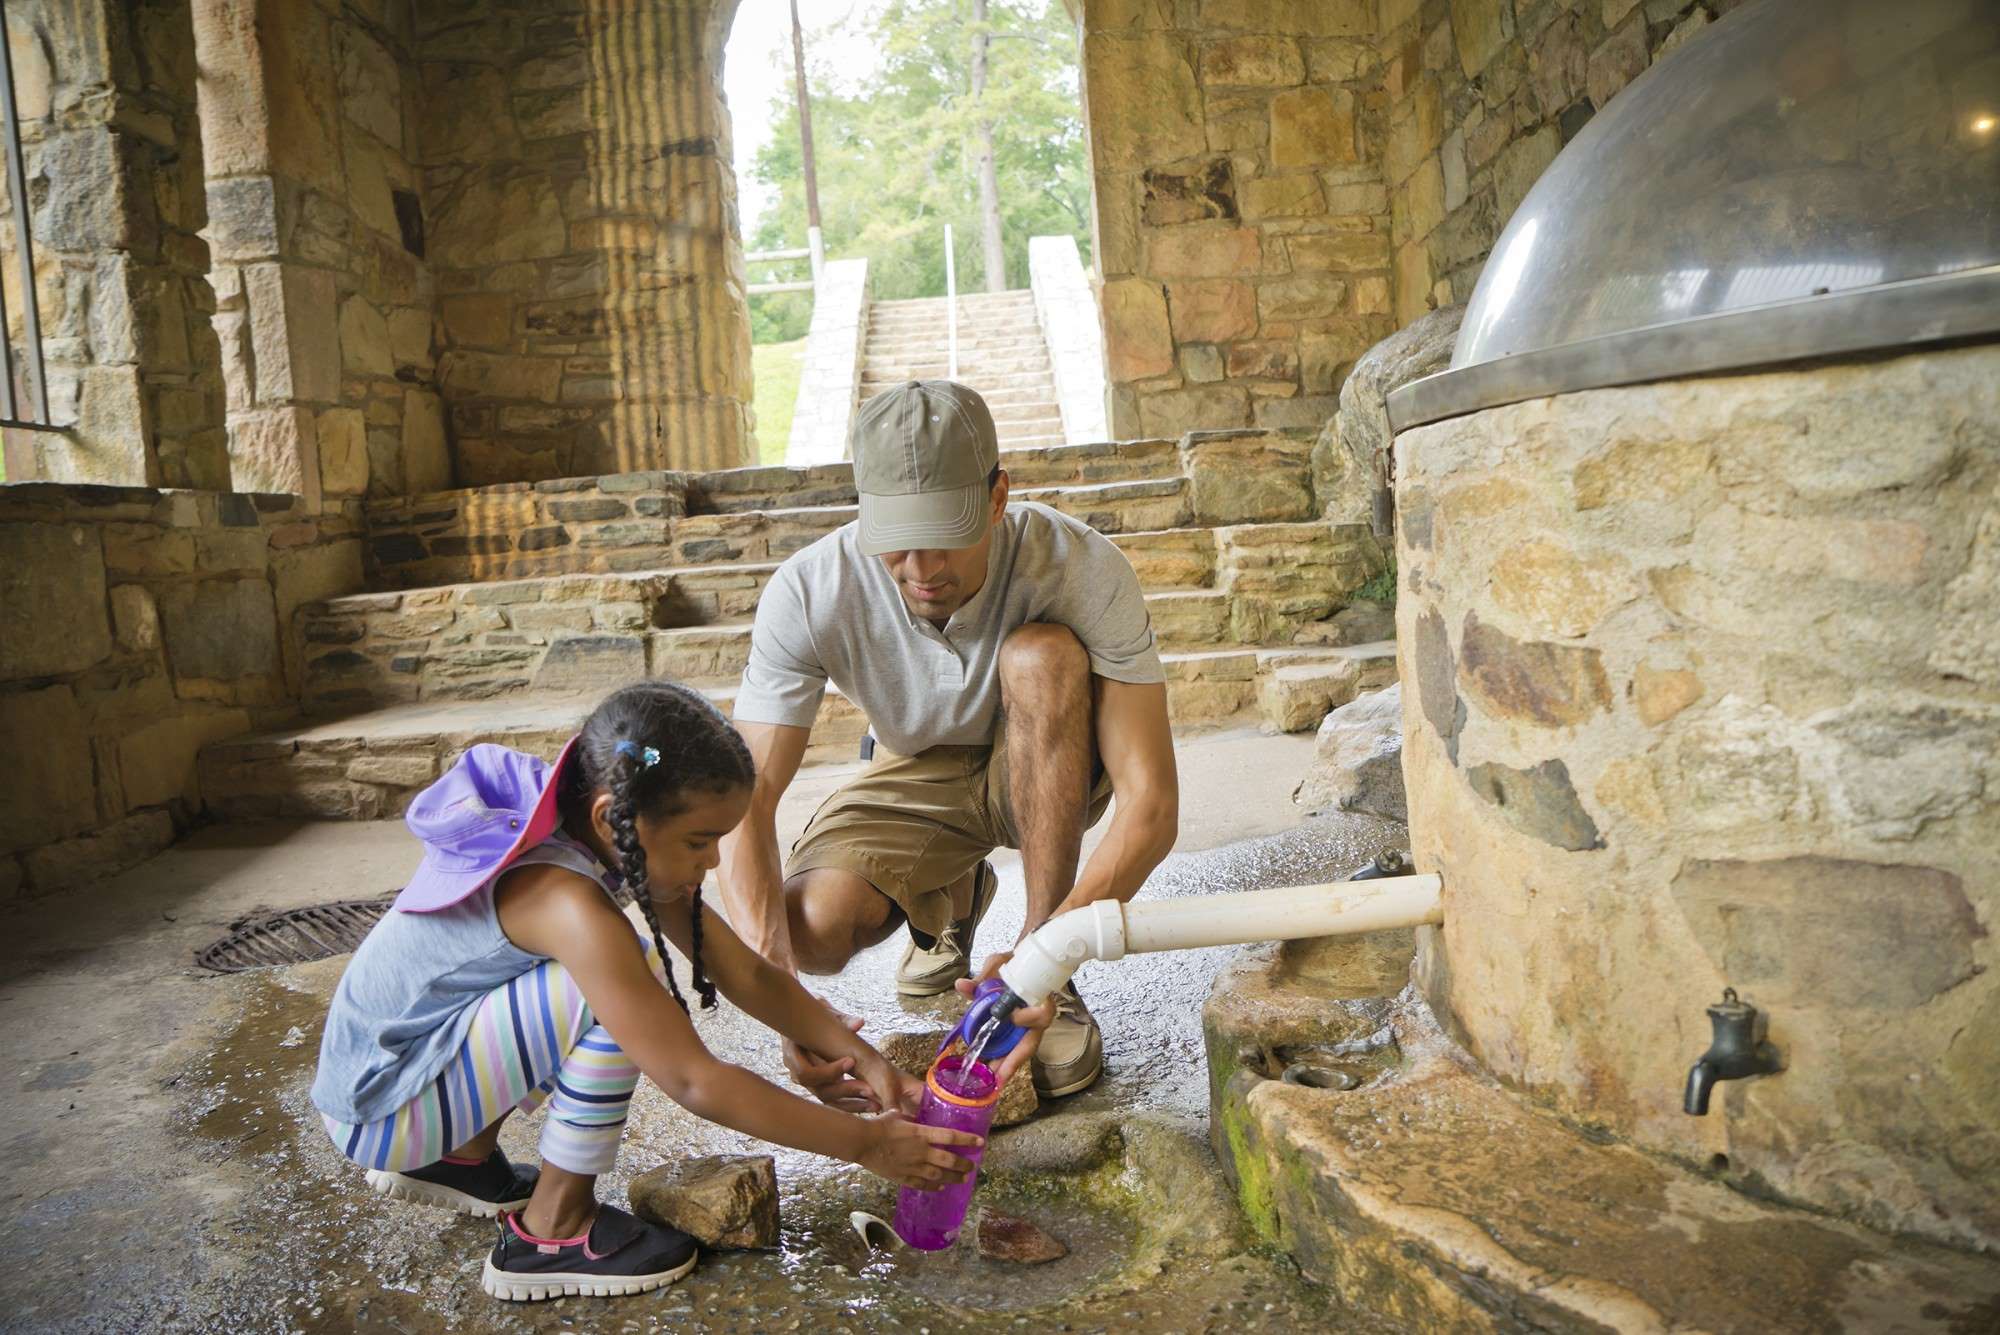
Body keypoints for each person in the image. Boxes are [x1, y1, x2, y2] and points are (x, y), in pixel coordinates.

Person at [310, 680, 1047, 1302]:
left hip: (394, 1067)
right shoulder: (566, 901)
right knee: (618, 984)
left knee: (614, 977)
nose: (717, 857)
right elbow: (695, 1078)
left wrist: (865, 1058)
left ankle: (459, 1157)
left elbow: (750, 972)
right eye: (700, 841)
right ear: (614, 817)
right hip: (381, 1103)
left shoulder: (601, 826)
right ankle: (551, 1231)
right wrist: (868, 1145)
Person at [717, 379, 1180, 1108]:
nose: (923, 568)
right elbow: (740, 802)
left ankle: (1040, 945)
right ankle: (951, 902)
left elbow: (1150, 804)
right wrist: (779, 993)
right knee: (811, 926)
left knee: (1042, 655)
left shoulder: (1082, 565)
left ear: (997, 499)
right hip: (915, 766)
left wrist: (1047, 957)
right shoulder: (808, 591)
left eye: (946, 533)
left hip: (1050, 749)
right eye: (898, 539)